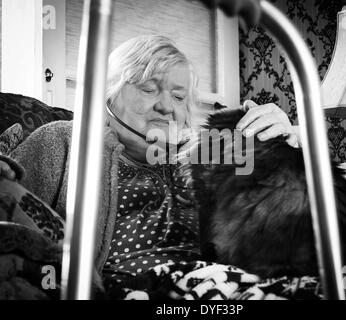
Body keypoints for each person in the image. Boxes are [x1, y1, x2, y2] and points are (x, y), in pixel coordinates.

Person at [0, 35, 299, 290]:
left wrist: (285, 151)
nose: (166, 106)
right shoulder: (63, 140)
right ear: (109, 95)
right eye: (148, 88)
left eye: (179, 96)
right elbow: (11, 211)